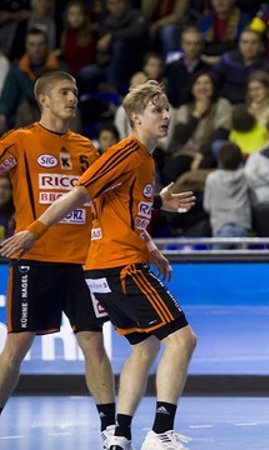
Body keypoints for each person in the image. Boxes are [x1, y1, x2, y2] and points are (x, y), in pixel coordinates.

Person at [0, 80, 198, 450]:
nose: (166, 116)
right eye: (157, 110)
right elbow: (79, 194)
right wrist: (33, 231)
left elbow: (118, 204)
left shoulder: (121, 155)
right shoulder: (123, 152)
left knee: (135, 345)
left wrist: (154, 226)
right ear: (135, 118)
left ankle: (118, 432)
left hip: (91, 264)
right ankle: (160, 433)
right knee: (182, 339)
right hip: (107, 263)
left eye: (167, 109)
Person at [0, 71, 116, 448]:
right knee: (17, 344)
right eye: (64, 92)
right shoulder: (19, 141)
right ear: (44, 100)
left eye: (75, 92)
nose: (72, 98)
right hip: (35, 258)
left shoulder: (86, 148)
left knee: (93, 343)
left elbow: (105, 199)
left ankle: (111, 429)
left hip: (82, 261)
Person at [204, 142, 252, 245]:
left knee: (219, 257)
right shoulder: (246, 177)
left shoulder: (212, 178)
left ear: (219, 160)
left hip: (220, 227)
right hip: (241, 226)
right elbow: (254, 200)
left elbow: (207, 206)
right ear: (240, 160)